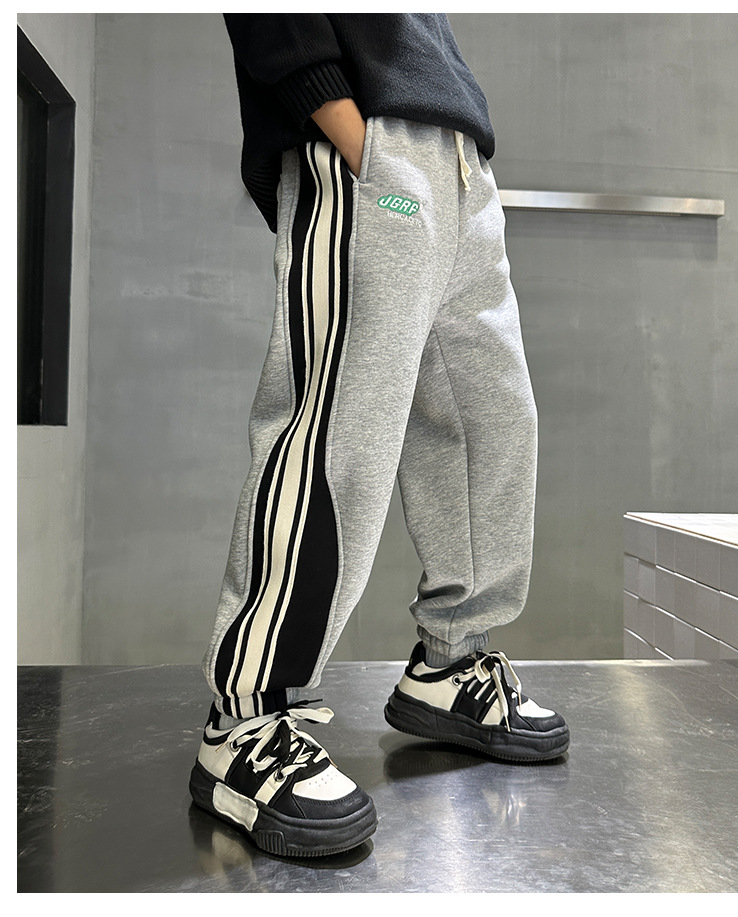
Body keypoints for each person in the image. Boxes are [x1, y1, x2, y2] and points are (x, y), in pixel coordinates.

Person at [189, 12, 569, 858]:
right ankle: (246, 716)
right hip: (374, 146)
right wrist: (350, 132)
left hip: (460, 162)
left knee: (493, 423)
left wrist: (460, 166)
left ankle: (451, 663)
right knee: (338, 435)